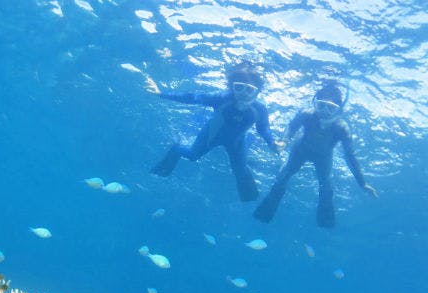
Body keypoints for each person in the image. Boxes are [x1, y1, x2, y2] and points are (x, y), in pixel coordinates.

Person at [147, 61, 282, 202]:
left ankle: (250, 199)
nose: (243, 94)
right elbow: (192, 97)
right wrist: (161, 93)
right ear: (231, 87)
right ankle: (176, 150)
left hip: (236, 142)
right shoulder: (221, 98)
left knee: (240, 170)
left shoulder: (259, 109)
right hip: (211, 135)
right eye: (239, 87)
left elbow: (263, 128)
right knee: (192, 155)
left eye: (249, 89)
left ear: (257, 91)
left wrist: (272, 142)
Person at [253, 80, 377, 228]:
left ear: (339, 110)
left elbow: (350, 156)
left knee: (327, 186)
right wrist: (284, 141)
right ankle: (266, 210)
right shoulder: (307, 114)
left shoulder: (341, 128)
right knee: (283, 176)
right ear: (314, 103)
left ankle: (325, 222)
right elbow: (292, 128)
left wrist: (362, 183)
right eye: (321, 105)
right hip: (300, 149)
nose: (324, 111)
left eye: (331, 108)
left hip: (323, 156)